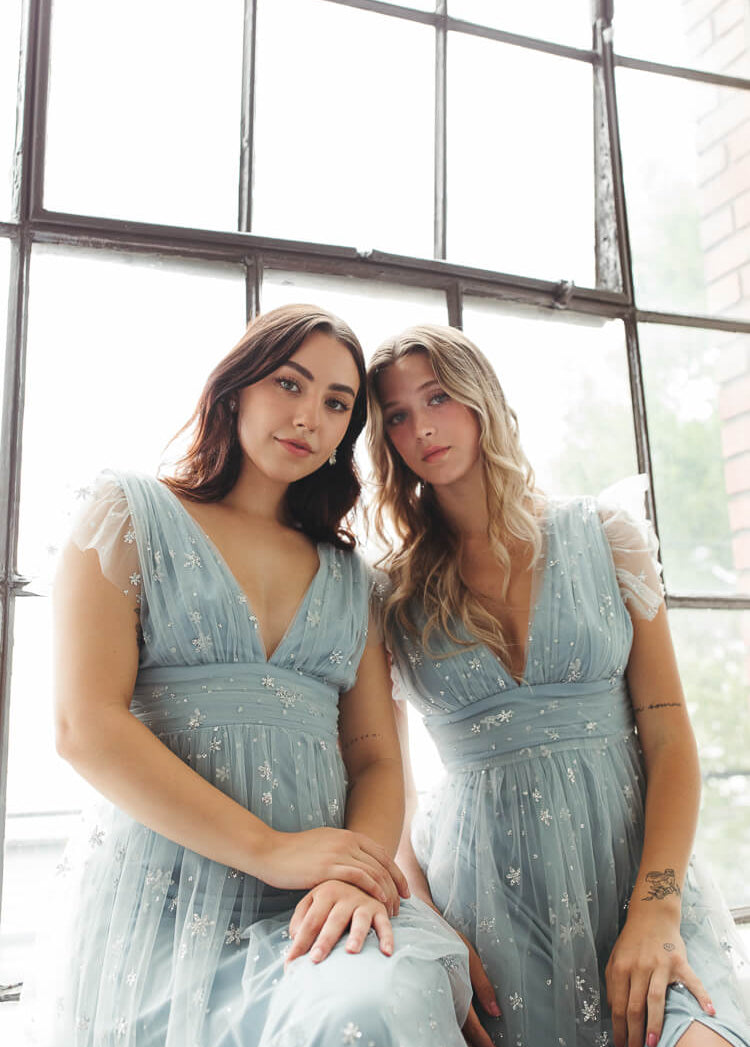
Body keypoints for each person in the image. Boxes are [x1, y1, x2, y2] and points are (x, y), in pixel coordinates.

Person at [24, 305, 471, 1047]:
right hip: (161, 902)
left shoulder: (347, 574)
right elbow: (85, 726)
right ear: (235, 389)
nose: (309, 417)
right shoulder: (129, 512)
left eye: (336, 403)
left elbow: (374, 755)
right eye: (290, 384)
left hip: (314, 900)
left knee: (372, 1005)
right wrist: (272, 847)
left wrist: (348, 873)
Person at [366, 323, 750, 1047]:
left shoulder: (607, 535)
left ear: (481, 398)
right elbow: (389, 787)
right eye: (395, 414)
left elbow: (669, 735)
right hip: (485, 909)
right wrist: (432, 928)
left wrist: (658, 908)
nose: (421, 426)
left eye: (437, 396)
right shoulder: (390, 594)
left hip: (635, 883)